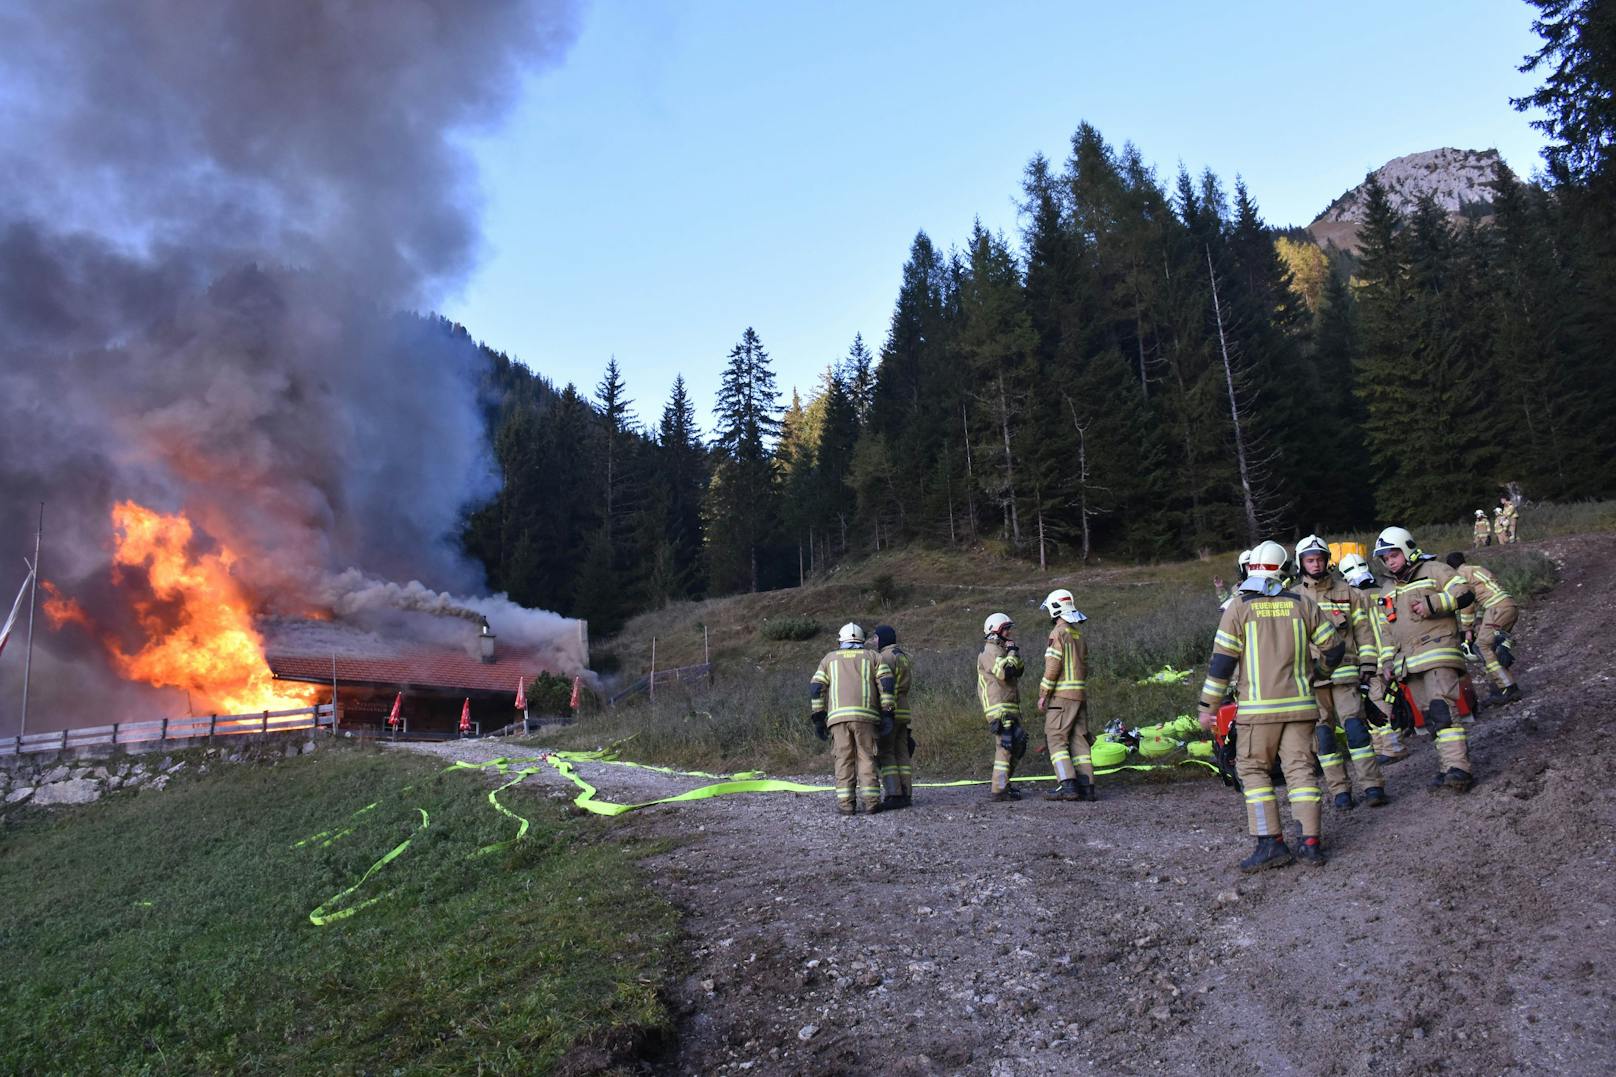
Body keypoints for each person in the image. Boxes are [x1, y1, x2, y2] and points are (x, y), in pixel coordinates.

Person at [1198, 540, 1346, 871]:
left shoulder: (1239, 607)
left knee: (1252, 770)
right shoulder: (1302, 604)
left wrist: (1208, 706)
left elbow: (1221, 664)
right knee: (1301, 771)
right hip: (1301, 708)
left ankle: (1271, 844)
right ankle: (1311, 843)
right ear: (1285, 570)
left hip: (1257, 712)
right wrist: (1316, 674)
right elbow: (1334, 650)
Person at [1374, 527, 1478, 792]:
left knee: (1443, 711)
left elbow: (1464, 592)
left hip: (1438, 653)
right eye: (1385, 558)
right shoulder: (1388, 588)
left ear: (1407, 549)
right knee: (1432, 717)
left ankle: (1459, 768)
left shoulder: (1434, 570)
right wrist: (1387, 663)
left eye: (1394, 554)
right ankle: (1448, 768)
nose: (1390, 561)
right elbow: (1386, 630)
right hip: (1409, 663)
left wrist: (1433, 605)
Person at [1292, 536, 1389, 810]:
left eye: (1320, 559)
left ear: (1327, 561)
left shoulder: (1348, 592)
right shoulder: (1294, 597)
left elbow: (1364, 632)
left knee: (1356, 730)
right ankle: (1340, 792)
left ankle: (1372, 786)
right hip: (1312, 680)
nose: (1316, 563)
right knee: (1323, 737)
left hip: (1346, 675)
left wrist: (1369, 666)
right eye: (1310, 560)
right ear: (1301, 563)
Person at [810, 623, 896, 815]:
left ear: (841, 641)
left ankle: (846, 805)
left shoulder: (829, 659)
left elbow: (816, 688)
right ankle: (872, 803)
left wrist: (818, 716)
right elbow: (886, 683)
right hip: (866, 717)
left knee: (843, 759)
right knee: (866, 757)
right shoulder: (873, 657)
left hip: (837, 719)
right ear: (861, 640)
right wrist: (888, 711)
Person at [1337, 552, 1409, 763]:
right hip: (1388, 656)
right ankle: (1381, 748)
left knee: (1377, 705)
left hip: (1370, 661)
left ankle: (1393, 748)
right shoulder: (1382, 591)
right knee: (1378, 705)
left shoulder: (1352, 598)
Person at [1036, 588, 1096, 802]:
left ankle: (1068, 785)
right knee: (1079, 739)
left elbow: (1052, 667)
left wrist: (1044, 694)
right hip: (1080, 696)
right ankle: (1087, 787)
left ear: (1054, 609)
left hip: (1062, 697)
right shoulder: (1078, 634)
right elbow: (1085, 666)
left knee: (1056, 738)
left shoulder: (1058, 633)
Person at [1445, 553, 1524, 705]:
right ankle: (1499, 681)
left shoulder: (1460, 576)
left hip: (1497, 609)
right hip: (1509, 605)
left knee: (1483, 646)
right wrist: (1480, 620)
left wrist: (1466, 629)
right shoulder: (1476, 569)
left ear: (1450, 567)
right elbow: (1482, 596)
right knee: (1491, 647)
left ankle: (1507, 687)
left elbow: (1467, 604)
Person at [977, 613, 1027, 802]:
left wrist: (1013, 652)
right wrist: (1013, 652)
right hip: (999, 708)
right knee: (1006, 745)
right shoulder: (991, 651)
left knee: (1018, 744)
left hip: (1009, 705)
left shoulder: (1002, 650)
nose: (1009, 632)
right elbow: (1005, 673)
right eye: (1006, 628)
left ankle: (1003, 783)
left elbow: (1019, 669)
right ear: (995, 631)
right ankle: (999, 789)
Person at [871, 624, 916, 808]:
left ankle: (894, 794)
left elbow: (885, 684)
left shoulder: (885, 657)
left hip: (892, 710)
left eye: (875, 638)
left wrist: (884, 711)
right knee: (902, 753)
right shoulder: (901, 655)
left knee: (887, 752)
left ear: (882, 638)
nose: (874, 641)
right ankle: (906, 792)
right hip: (904, 710)